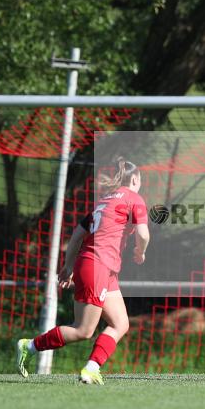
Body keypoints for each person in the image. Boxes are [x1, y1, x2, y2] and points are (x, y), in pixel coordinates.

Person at [16, 157, 149, 385]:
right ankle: (29, 346)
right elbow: (143, 234)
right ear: (135, 179)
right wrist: (140, 251)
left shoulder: (104, 202)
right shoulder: (134, 198)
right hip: (99, 266)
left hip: (99, 267)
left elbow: (77, 235)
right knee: (83, 330)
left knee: (120, 323)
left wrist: (69, 266)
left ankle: (91, 368)